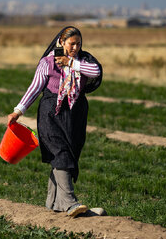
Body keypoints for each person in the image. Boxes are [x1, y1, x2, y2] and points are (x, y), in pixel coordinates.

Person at [6, 26, 102, 217]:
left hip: (75, 115)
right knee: (61, 153)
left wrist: (71, 63)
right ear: (61, 42)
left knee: (67, 156)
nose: (75, 47)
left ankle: (53, 204)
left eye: (78, 43)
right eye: (71, 43)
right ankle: (70, 202)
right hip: (51, 114)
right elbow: (35, 88)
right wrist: (18, 111)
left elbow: (96, 71)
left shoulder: (83, 61)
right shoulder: (48, 62)